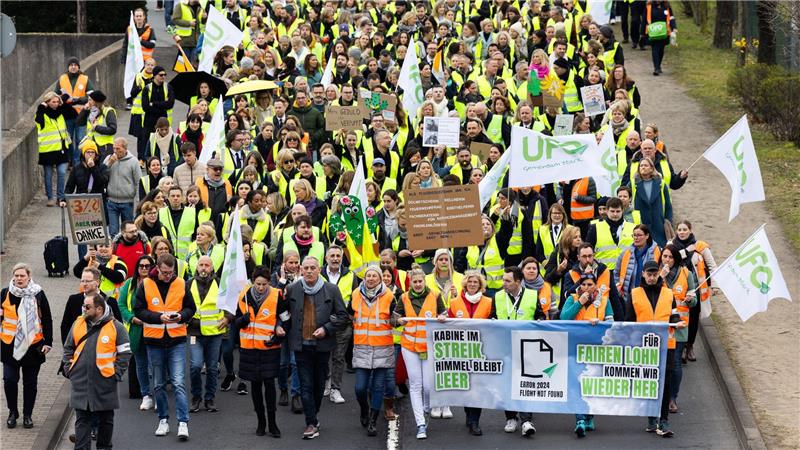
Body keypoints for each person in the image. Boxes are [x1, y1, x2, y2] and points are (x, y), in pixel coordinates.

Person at [284, 256, 349, 440]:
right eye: (306, 268)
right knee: (305, 385)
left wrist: (326, 329)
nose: (310, 271)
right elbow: (283, 311)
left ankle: (314, 413)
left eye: (313, 267)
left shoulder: (331, 289)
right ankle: (311, 422)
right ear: (301, 270)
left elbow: (342, 316)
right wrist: (281, 327)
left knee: (318, 385)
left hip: (322, 346)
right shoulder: (293, 289)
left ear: (319, 269)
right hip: (301, 345)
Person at [133, 254, 196, 441]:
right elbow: (138, 310)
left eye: (171, 273)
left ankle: (183, 423)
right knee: (159, 384)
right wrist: (158, 318)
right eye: (165, 273)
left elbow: (191, 308)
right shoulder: (146, 285)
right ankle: (163, 420)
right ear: (157, 269)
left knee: (178, 382)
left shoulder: (181, 283)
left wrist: (181, 316)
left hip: (176, 339)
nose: (168, 276)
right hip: (154, 341)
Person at [61, 291, 131, 450]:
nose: (83, 309)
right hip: (80, 381)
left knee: (106, 420)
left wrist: (116, 373)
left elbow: (125, 353)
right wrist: (69, 368)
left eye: (87, 306)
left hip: (105, 381)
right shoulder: (78, 323)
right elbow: (68, 348)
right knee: (82, 420)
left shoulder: (116, 328)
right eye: (83, 306)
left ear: (99, 309)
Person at [625, 260, 685, 437]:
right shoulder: (635, 294)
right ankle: (652, 417)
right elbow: (629, 320)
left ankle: (664, 420)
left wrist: (677, 323)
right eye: (649, 274)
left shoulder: (668, 293)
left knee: (665, 382)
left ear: (659, 274)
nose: (652, 278)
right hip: (643, 347)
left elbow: (673, 316)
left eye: (654, 274)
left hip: (666, 344)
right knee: (648, 383)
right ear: (643, 274)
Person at [393, 267, 447, 440]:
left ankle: (426, 408)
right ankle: (420, 424)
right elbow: (393, 320)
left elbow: (445, 315)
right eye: (414, 282)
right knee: (415, 385)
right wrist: (398, 320)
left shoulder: (436, 296)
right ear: (411, 283)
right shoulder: (403, 297)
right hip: (409, 346)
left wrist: (442, 318)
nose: (417, 284)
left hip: (430, 346)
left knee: (428, 386)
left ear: (424, 281)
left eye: (420, 281)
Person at [235, 266, 289, 437]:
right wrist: (241, 321)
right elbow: (235, 321)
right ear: (253, 282)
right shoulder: (243, 296)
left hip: (269, 347)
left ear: (268, 282)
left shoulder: (276, 296)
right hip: (249, 348)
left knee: (269, 384)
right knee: (255, 386)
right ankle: (261, 422)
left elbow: (286, 320)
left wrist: (279, 335)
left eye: (264, 284)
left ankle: (273, 423)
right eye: (258, 284)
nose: (260, 287)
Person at [560, 272, 613, 437]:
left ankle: (590, 416)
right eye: (583, 285)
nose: (587, 288)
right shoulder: (572, 298)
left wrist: (600, 324)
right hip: (575, 347)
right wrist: (579, 303)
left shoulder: (604, 300)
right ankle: (580, 420)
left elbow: (611, 322)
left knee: (591, 383)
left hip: (596, 349)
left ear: (596, 285)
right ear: (579, 286)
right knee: (577, 383)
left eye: (590, 284)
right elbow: (563, 318)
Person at [1, 264, 53, 429]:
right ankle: (12, 412)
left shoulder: (38, 293)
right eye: (16, 275)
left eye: (22, 276)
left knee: (30, 383)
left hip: (33, 346)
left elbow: (47, 319)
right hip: (9, 346)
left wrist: (48, 342)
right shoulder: (4, 293)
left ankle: (27, 415)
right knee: (9, 380)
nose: (19, 279)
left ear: (29, 276)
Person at [448, 270, 495, 436]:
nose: (473, 284)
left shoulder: (489, 302)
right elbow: (448, 324)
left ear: (480, 285)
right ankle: (469, 413)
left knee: (478, 387)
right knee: (466, 386)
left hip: (481, 351)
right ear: (465, 284)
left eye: (476, 282)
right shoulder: (454, 302)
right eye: (470, 282)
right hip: (461, 351)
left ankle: (475, 421)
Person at [494, 266, 539, 437]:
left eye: (507, 281)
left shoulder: (532, 295)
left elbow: (540, 317)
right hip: (505, 347)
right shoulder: (498, 297)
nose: (503, 283)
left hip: (527, 347)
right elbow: (492, 317)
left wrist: (541, 320)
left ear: (518, 282)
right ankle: (511, 418)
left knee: (526, 383)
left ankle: (526, 420)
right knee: (507, 384)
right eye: (503, 280)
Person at [670, 220, 719, 362]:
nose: (682, 232)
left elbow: (712, 266)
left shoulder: (701, 247)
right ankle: (679, 346)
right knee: (677, 317)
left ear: (690, 230)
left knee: (693, 320)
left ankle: (689, 346)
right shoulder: (671, 246)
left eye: (685, 229)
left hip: (695, 289)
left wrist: (715, 285)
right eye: (679, 229)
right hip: (677, 290)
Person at [187, 256, 231, 414]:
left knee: (212, 368)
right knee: (195, 366)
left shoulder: (220, 284)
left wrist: (228, 317)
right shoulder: (189, 284)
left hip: (215, 333)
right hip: (194, 333)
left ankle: (210, 399)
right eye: (201, 265)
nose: (204, 268)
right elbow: (182, 304)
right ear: (197, 267)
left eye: (207, 265)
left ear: (212, 268)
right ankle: (196, 397)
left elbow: (231, 303)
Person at [657, 244, 697, 413]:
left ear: (676, 259)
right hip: (660, 324)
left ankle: (673, 397)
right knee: (660, 363)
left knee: (675, 365)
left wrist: (690, 299)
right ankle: (659, 397)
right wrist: (660, 277)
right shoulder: (656, 273)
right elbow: (648, 290)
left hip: (679, 325)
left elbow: (694, 300)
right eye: (664, 256)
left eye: (670, 257)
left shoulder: (686, 274)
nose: (667, 260)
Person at [321, 245, 358, 405]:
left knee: (338, 357)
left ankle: (335, 389)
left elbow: (356, 297)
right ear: (326, 258)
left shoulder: (351, 275)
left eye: (338, 256)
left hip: (343, 324)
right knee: (323, 356)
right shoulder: (319, 275)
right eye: (332, 256)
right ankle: (326, 381)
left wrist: (349, 315)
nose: (335, 258)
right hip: (323, 323)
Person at [118, 255, 155, 408]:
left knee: (155, 364)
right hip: (136, 330)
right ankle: (146, 394)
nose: (144, 269)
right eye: (141, 266)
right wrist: (132, 318)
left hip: (153, 329)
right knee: (140, 364)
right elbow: (121, 305)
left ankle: (158, 394)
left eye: (147, 266)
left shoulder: (156, 283)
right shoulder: (129, 284)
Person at [36, 91, 75, 207]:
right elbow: (38, 120)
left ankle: (60, 197)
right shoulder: (42, 114)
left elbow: (73, 113)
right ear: (47, 102)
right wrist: (41, 107)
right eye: (53, 102)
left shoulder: (61, 112)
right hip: (47, 150)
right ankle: (50, 197)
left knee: (62, 173)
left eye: (57, 101)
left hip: (62, 149)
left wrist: (64, 101)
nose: (56, 104)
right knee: (48, 175)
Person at [54, 57, 92, 167]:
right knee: (68, 139)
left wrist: (77, 99)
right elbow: (55, 95)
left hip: (81, 114)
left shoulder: (85, 79)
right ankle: (70, 159)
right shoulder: (62, 79)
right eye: (71, 65)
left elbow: (91, 95)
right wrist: (64, 98)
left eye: (75, 65)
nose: (73, 66)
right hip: (66, 114)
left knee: (80, 139)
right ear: (68, 67)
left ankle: (76, 162)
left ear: (79, 67)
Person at [105, 138, 142, 238]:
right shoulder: (110, 158)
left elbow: (139, 181)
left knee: (128, 231)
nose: (115, 151)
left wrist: (139, 200)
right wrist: (109, 163)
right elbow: (102, 175)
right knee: (113, 232)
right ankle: (114, 251)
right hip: (112, 201)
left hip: (127, 201)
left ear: (125, 149)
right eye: (114, 149)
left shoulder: (133, 161)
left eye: (118, 149)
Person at [616, 223, 662, 298]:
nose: (636, 238)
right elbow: (616, 272)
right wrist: (618, 287)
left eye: (639, 235)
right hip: (628, 296)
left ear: (647, 236)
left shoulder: (657, 251)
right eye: (634, 235)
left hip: (650, 295)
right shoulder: (626, 252)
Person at [644, 0, 676, 76]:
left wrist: (674, 27)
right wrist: (642, 32)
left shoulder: (667, 6)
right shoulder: (649, 6)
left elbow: (671, 18)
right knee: (655, 48)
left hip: (664, 33)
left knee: (661, 49)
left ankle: (658, 65)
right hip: (653, 33)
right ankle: (656, 68)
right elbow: (644, 19)